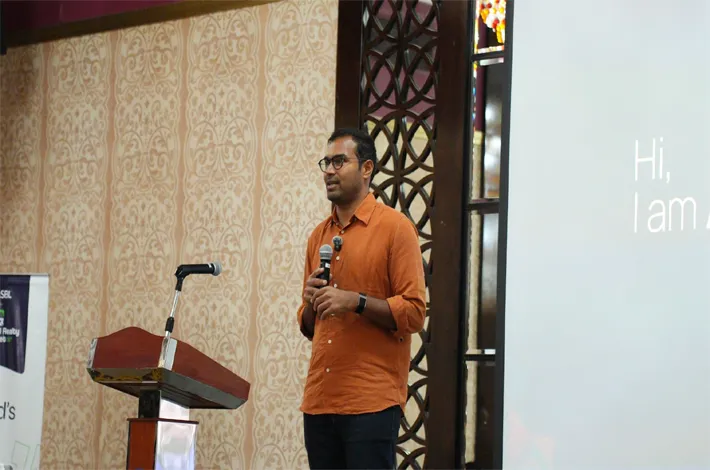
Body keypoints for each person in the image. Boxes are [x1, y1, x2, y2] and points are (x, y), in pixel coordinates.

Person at [296, 127, 427, 469]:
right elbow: (309, 325)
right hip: (320, 400)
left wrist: (355, 301)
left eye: (339, 161)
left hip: (371, 401)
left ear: (367, 168)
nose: (329, 171)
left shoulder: (395, 228)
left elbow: (414, 312)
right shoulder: (318, 237)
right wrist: (310, 302)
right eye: (326, 162)